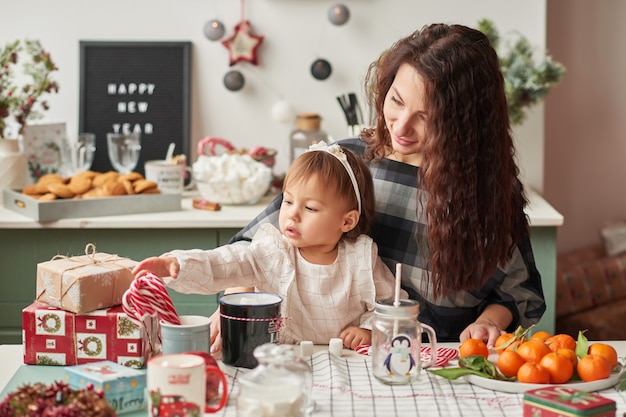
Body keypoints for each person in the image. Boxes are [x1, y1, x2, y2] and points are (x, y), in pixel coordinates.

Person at [214, 22, 546, 350]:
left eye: (427, 117)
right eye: (396, 101)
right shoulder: (345, 163)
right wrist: (236, 300)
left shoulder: (486, 193)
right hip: (333, 355)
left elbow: (518, 294)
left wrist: (488, 323)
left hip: (439, 363)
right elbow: (253, 248)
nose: (401, 126)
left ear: (465, 124)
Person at [133, 142, 407, 349]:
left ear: (347, 221)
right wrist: (178, 265)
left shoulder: (360, 260)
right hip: (282, 358)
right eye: (288, 201)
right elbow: (226, 263)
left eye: (310, 207)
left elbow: (393, 305)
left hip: (343, 362)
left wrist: (370, 330)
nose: (292, 214)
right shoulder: (274, 251)